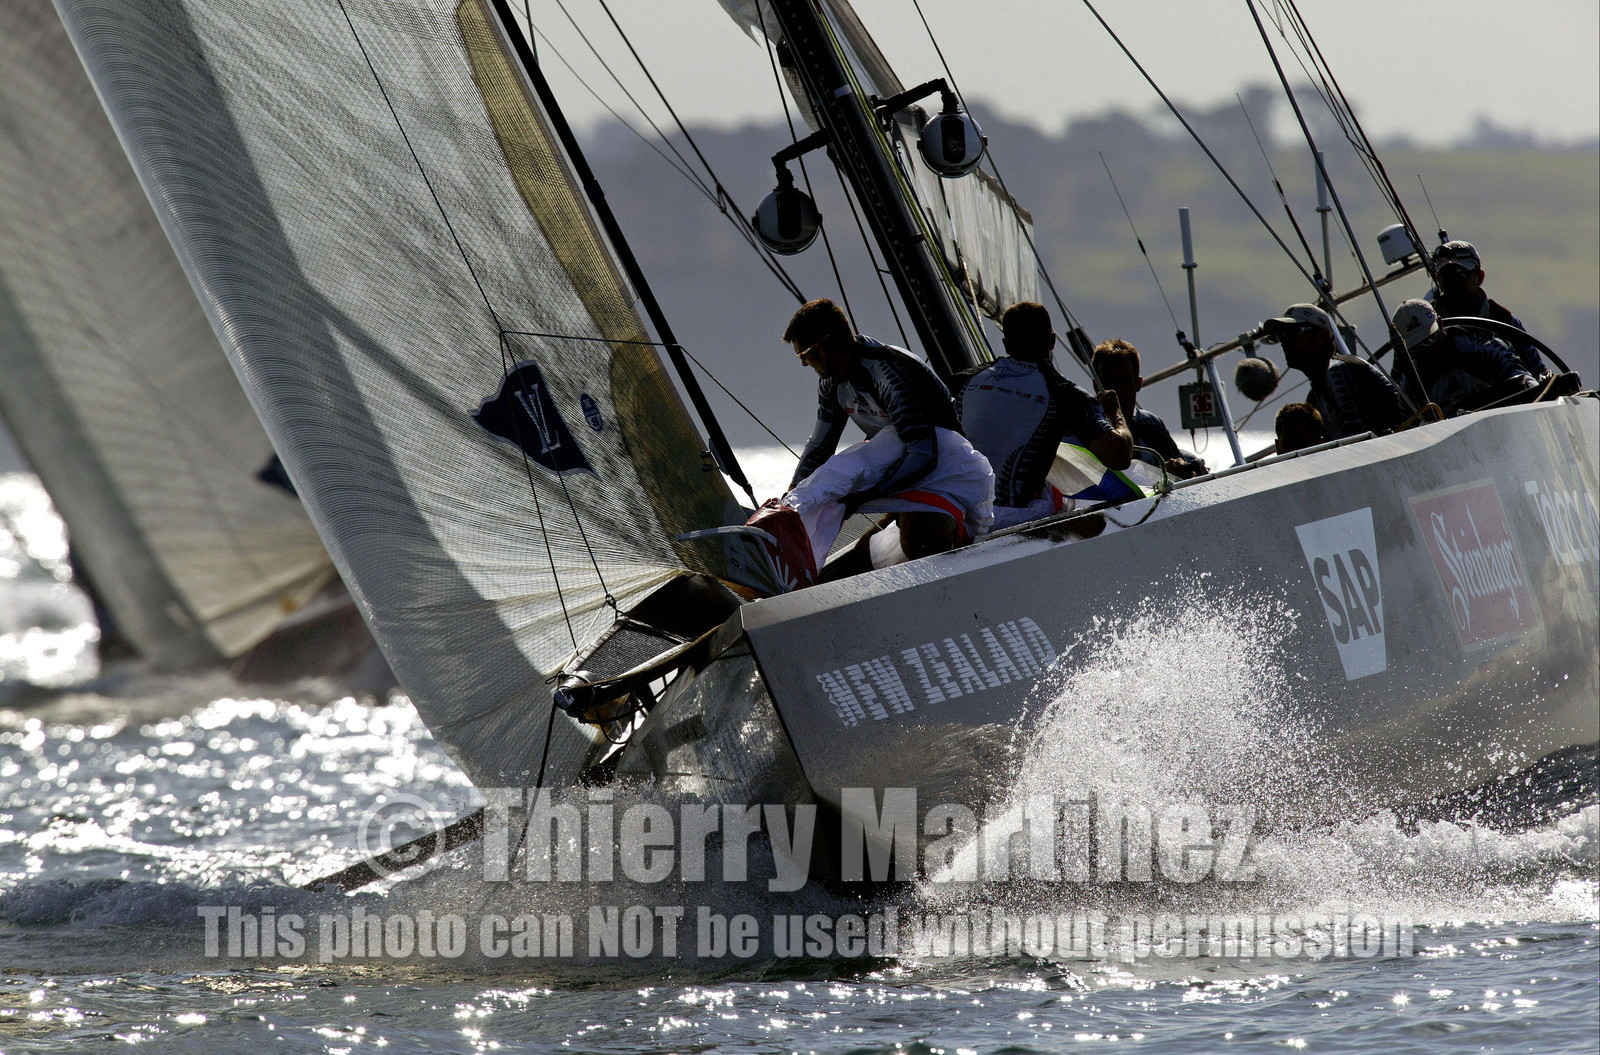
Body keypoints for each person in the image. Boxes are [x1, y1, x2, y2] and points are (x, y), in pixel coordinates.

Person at [778, 298, 993, 577]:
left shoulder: (888, 373)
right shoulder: (831, 382)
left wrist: (862, 497)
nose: (805, 364)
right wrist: (791, 496)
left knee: (917, 543)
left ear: (821, 348)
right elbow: (820, 447)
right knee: (840, 572)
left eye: (803, 355)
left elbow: (924, 455)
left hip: (947, 474)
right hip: (902, 473)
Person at [951, 302, 1133, 530]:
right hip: (1016, 520)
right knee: (1093, 523)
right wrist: (1115, 414)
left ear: (1006, 345)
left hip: (959, 515)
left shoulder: (960, 382)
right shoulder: (1066, 394)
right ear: (1052, 341)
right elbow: (1119, 456)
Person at [1261, 303, 1410, 439]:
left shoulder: (1338, 371)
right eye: (1281, 336)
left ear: (1322, 336)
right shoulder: (1316, 393)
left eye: (1293, 332)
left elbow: (1356, 443)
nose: (1284, 342)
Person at [1390, 299, 1535, 414]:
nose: (1427, 351)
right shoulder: (1410, 387)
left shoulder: (1484, 348)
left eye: (1430, 340)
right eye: (1417, 348)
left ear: (1440, 324)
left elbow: (1527, 384)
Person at [1426, 240, 1548, 377]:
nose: (1453, 282)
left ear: (1479, 277)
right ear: (1438, 280)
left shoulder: (1504, 320)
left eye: (1460, 274)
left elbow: (1539, 373)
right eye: (1446, 276)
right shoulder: (1424, 322)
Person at [1090, 338, 1207, 480]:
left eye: (1124, 380)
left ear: (1138, 384)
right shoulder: (1083, 430)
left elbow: (1182, 472)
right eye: (1109, 381)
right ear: (1096, 385)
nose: (1117, 389)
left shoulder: (1151, 427)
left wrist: (1179, 470)